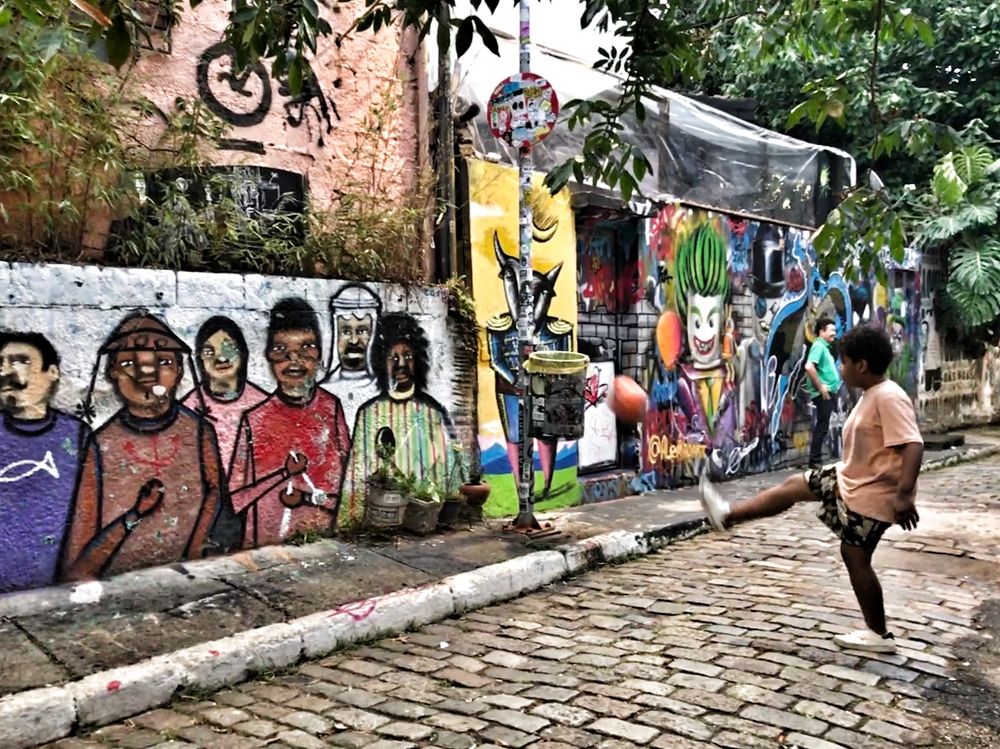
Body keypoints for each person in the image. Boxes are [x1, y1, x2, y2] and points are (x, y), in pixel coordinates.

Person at [698, 325, 923, 653]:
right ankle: (727, 516)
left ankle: (879, 634)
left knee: (855, 555)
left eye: (844, 362)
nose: (840, 368)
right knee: (794, 486)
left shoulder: (889, 397)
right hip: (851, 480)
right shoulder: (872, 394)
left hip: (875, 495)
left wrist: (903, 496)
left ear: (861, 365)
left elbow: (913, 445)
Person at [63, 312, 223, 580]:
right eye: (128, 362)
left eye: (163, 361)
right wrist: (133, 518)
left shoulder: (198, 432)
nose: (146, 373)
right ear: (112, 372)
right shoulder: (102, 445)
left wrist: (194, 553)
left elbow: (216, 496)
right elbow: (80, 553)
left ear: (180, 370)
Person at [229, 298, 351, 548]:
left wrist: (307, 499)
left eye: (306, 349)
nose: (294, 360)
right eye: (281, 351)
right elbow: (236, 498)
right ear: (268, 356)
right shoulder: (254, 419)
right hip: (263, 547)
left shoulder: (331, 408)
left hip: (325, 543)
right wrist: (283, 475)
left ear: (319, 354)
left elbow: (350, 486)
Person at [340, 313, 455, 525]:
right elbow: (356, 474)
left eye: (408, 356)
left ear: (418, 360)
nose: (401, 364)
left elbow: (444, 470)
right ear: (382, 363)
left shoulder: (432, 412)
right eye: (393, 358)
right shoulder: (369, 413)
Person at [0, 332, 91, 592]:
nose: (6, 371)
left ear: (52, 372)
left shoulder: (76, 435)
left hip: (60, 592)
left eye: (19, 361)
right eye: (0, 363)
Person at [803, 317, 841, 468]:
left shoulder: (824, 347)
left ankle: (816, 460)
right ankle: (815, 461)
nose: (834, 334)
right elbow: (809, 366)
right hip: (823, 393)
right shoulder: (818, 346)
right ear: (821, 332)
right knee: (822, 426)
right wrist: (821, 387)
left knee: (823, 426)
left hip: (828, 392)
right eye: (831, 330)